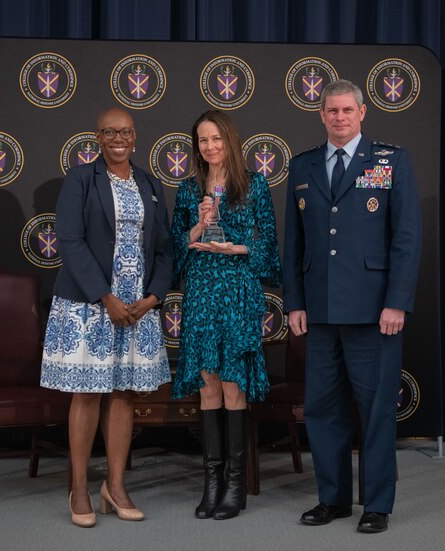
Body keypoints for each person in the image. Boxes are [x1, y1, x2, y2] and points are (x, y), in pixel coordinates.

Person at [283, 79, 421, 533]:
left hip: (374, 311)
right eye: (331, 111)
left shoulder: (389, 160)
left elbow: (405, 238)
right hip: (320, 311)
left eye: (347, 110)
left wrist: (397, 302)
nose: (339, 117)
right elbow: (294, 243)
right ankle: (333, 498)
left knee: (376, 408)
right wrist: (295, 303)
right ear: (321, 115)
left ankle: (377, 504)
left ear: (362, 113)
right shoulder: (302, 165)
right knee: (323, 409)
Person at [40, 107, 172, 527]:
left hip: (137, 309)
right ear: (97, 136)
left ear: (135, 137)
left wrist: (152, 298)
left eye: (126, 132)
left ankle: (114, 487)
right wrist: (105, 296)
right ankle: (79, 487)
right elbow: (70, 240)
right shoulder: (81, 179)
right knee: (88, 394)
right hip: (89, 305)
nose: (119, 138)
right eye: (110, 131)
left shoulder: (150, 184)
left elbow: (165, 250)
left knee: (124, 394)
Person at [171, 109, 282, 520]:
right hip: (200, 291)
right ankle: (211, 483)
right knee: (208, 387)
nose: (210, 146)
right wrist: (198, 228)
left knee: (233, 384)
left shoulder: (254, 186)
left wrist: (234, 248)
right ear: (195, 146)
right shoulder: (187, 189)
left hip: (237, 291)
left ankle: (235, 486)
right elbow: (175, 251)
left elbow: (269, 249)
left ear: (229, 141)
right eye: (202, 140)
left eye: (216, 138)